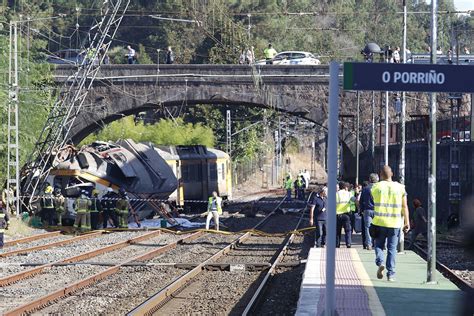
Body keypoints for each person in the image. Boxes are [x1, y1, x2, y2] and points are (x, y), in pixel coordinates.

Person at [371, 165, 410, 282]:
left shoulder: (376, 187)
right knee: (392, 249)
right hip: (395, 223)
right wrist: (407, 222)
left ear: (380, 175)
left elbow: (373, 200)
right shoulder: (400, 188)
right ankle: (391, 274)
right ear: (392, 174)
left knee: (378, 245)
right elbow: (404, 206)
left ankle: (380, 262)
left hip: (379, 222)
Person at [359, 174, 379, 250]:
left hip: (367, 210)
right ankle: (378, 243)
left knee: (367, 228)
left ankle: (369, 244)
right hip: (377, 210)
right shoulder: (379, 188)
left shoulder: (365, 189)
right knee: (379, 227)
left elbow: (361, 201)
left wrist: (361, 210)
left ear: (370, 179)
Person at [336, 182, 353, 248]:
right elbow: (354, 200)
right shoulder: (349, 193)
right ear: (345, 187)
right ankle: (348, 244)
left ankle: (337, 244)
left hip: (338, 215)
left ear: (339, 187)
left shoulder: (337, 194)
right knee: (348, 230)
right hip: (346, 215)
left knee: (337, 231)